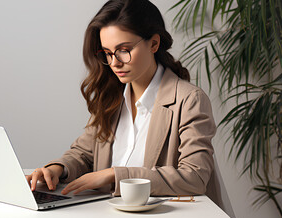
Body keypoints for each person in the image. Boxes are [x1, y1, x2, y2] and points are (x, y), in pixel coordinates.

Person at [26, 0, 221, 204]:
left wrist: (115, 174)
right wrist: (56, 170)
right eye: (108, 53)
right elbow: (84, 153)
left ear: (154, 43)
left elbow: (195, 178)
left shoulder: (189, 100)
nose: (114, 62)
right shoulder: (111, 96)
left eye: (124, 50)